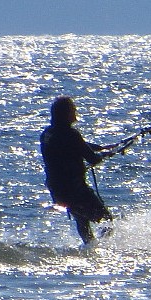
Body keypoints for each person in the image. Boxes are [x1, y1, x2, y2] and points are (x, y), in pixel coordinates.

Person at [39, 95, 120, 244]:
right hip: (75, 190)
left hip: (58, 191)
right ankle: (100, 248)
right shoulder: (71, 134)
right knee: (107, 221)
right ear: (66, 114)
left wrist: (101, 147)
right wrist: (105, 154)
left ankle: (90, 250)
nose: (75, 113)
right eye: (73, 110)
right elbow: (92, 158)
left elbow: (76, 145)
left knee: (82, 220)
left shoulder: (48, 134)